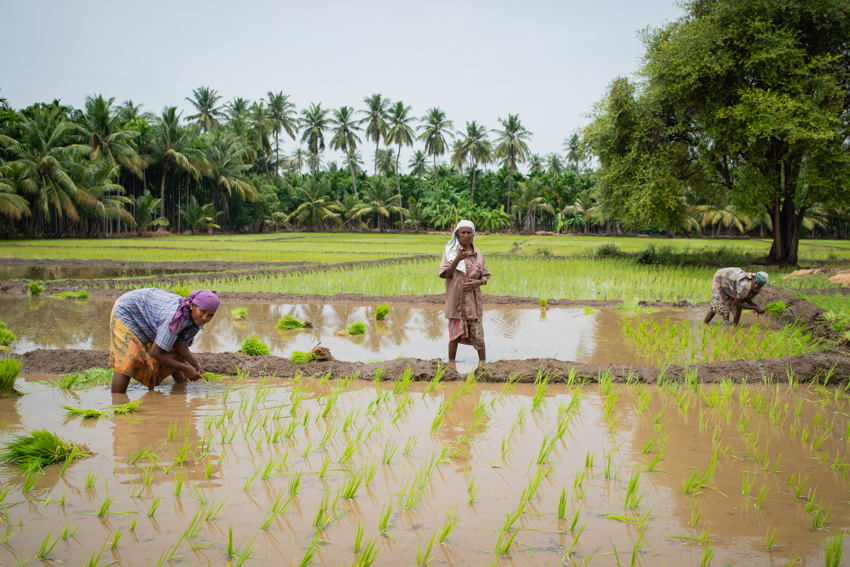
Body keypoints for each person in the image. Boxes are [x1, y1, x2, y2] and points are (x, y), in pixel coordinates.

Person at [109, 288, 219, 394]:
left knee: (175, 354)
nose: (205, 318)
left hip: (150, 312)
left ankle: (182, 391)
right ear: (192, 306)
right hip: (127, 310)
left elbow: (179, 344)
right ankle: (118, 401)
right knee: (129, 358)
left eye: (210, 315)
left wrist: (195, 364)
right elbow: (155, 352)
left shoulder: (195, 318)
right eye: (202, 311)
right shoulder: (174, 317)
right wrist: (187, 369)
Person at [439, 220, 491, 363]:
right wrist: (457, 259)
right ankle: (451, 365)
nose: (466, 235)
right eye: (463, 232)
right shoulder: (449, 253)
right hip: (456, 302)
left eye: (469, 232)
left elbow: (485, 276)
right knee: (454, 336)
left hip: (473, 303)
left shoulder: (478, 254)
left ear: (473, 235)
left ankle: (483, 365)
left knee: (479, 337)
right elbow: (446, 274)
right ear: (457, 234)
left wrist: (477, 282)